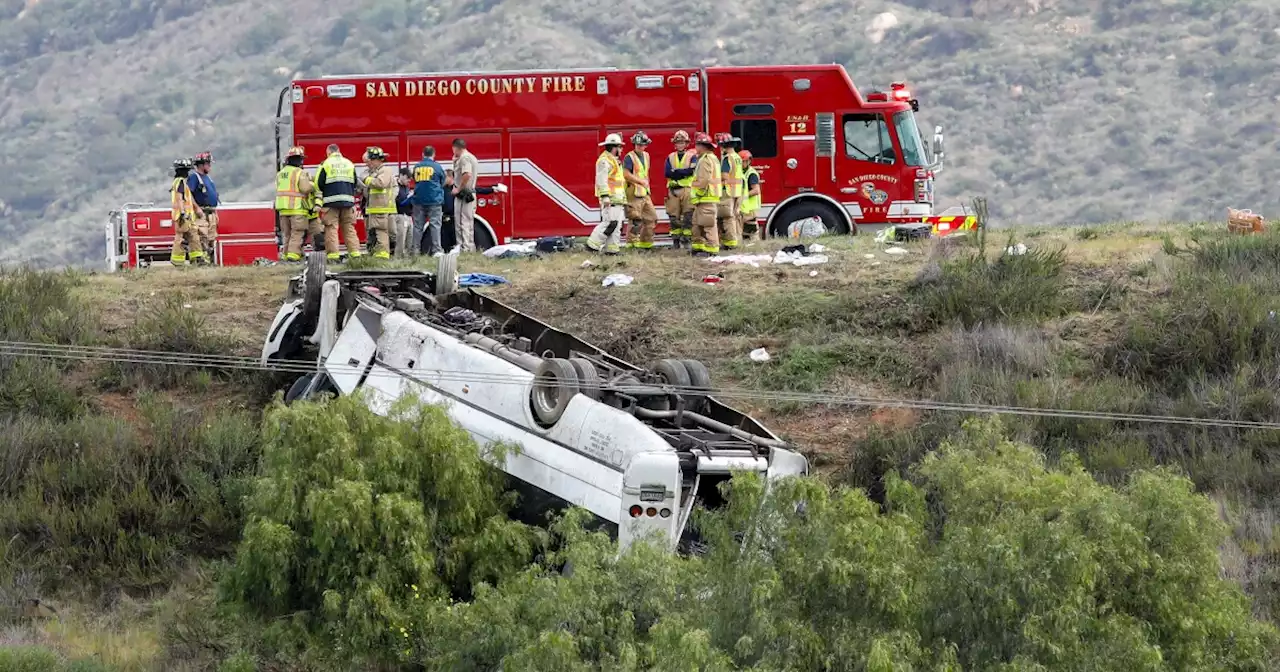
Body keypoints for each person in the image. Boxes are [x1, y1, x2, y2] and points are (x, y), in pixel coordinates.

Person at [315, 144, 361, 261]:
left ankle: (333, 256)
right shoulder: (349, 163)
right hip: (348, 202)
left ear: (329, 153)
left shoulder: (325, 164)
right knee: (349, 228)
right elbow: (355, 182)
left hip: (331, 203)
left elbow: (318, 184)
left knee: (331, 228)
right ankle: (355, 254)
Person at [586, 133, 627, 255]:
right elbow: (601, 180)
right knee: (609, 223)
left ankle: (612, 250)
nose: (621, 149)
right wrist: (605, 196)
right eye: (619, 147)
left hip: (618, 199)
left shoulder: (614, 161)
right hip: (610, 199)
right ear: (614, 147)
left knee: (616, 226)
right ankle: (592, 245)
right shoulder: (604, 161)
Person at [275, 146, 316, 262]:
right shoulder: (299, 173)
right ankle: (293, 258)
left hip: (283, 210)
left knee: (287, 235)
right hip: (297, 209)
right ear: (299, 160)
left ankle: (286, 256)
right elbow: (305, 188)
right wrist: (313, 185)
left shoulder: (280, 173)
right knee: (297, 233)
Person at [622, 131, 657, 250]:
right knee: (635, 220)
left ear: (646, 145)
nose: (639, 147)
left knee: (651, 218)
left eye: (642, 145)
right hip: (634, 192)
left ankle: (645, 244)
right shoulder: (629, 157)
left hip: (645, 193)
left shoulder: (647, 156)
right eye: (637, 145)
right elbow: (626, 174)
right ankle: (632, 246)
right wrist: (640, 181)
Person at [360, 146, 397, 259]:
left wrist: (366, 179)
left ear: (377, 160)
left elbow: (380, 183)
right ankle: (384, 254)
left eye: (370, 161)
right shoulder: (376, 171)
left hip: (381, 208)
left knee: (381, 232)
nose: (368, 164)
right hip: (379, 208)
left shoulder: (385, 170)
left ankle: (382, 256)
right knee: (381, 232)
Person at [689, 133, 721, 258]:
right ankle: (699, 248)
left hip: (706, 198)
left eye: (697, 145)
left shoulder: (706, 159)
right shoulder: (710, 158)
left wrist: (697, 193)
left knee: (708, 225)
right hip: (704, 198)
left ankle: (712, 250)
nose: (695, 148)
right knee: (697, 224)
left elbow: (703, 181)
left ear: (702, 146)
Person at [411, 145, 447, 257]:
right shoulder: (437, 167)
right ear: (433, 154)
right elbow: (443, 181)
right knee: (435, 226)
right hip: (434, 201)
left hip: (418, 201)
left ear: (423, 154)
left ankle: (415, 251)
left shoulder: (417, 167)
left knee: (417, 226)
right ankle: (437, 250)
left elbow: (414, 180)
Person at [169, 158, 205, 266]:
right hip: (182, 216)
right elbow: (180, 198)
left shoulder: (180, 182)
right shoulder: (180, 182)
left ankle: (197, 258)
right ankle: (177, 261)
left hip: (187, 216)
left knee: (193, 236)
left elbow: (187, 198)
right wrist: (183, 212)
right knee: (181, 239)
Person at [664, 130, 696, 249]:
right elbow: (667, 173)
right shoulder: (670, 157)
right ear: (675, 144)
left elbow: (691, 171)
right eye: (678, 142)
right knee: (673, 217)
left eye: (682, 142)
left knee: (688, 216)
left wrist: (676, 172)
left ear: (686, 144)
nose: (680, 144)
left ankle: (686, 240)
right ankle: (676, 242)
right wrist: (682, 173)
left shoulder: (692, 156)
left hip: (687, 190)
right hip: (673, 191)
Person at [449, 138, 480, 253]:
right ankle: (470, 247)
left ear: (456, 147)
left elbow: (467, 174)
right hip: (470, 194)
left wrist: (458, 188)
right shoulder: (471, 157)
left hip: (463, 195)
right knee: (469, 222)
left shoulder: (464, 158)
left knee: (462, 222)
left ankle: (463, 248)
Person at [189, 151, 219, 262]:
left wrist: (215, 213)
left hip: (211, 213)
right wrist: (197, 208)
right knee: (202, 238)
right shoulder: (194, 178)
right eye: (208, 164)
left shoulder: (208, 178)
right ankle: (201, 262)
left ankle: (209, 261)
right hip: (201, 214)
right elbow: (188, 195)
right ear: (201, 165)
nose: (210, 166)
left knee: (211, 239)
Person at [716, 133, 742, 250]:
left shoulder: (727, 158)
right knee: (733, 216)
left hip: (727, 191)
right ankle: (734, 240)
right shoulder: (737, 157)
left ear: (724, 146)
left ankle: (730, 243)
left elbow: (724, 176)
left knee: (726, 218)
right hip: (737, 191)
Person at [739, 149, 763, 241]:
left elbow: (756, 190)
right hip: (745, 208)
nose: (744, 163)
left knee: (751, 231)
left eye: (746, 161)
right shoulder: (742, 172)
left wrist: (743, 196)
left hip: (750, 208)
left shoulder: (751, 174)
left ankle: (755, 247)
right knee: (745, 231)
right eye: (742, 161)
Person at [394, 168, 413, 257]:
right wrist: (407, 198)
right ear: (401, 175)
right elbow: (396, 200)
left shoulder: (406, 187)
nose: (409, 181)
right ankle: (398, 259)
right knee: (400, 240)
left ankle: (408, 259)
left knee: (410, 239)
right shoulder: (395, 186)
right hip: (400, 216)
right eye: (407, 178)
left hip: (408, 216)